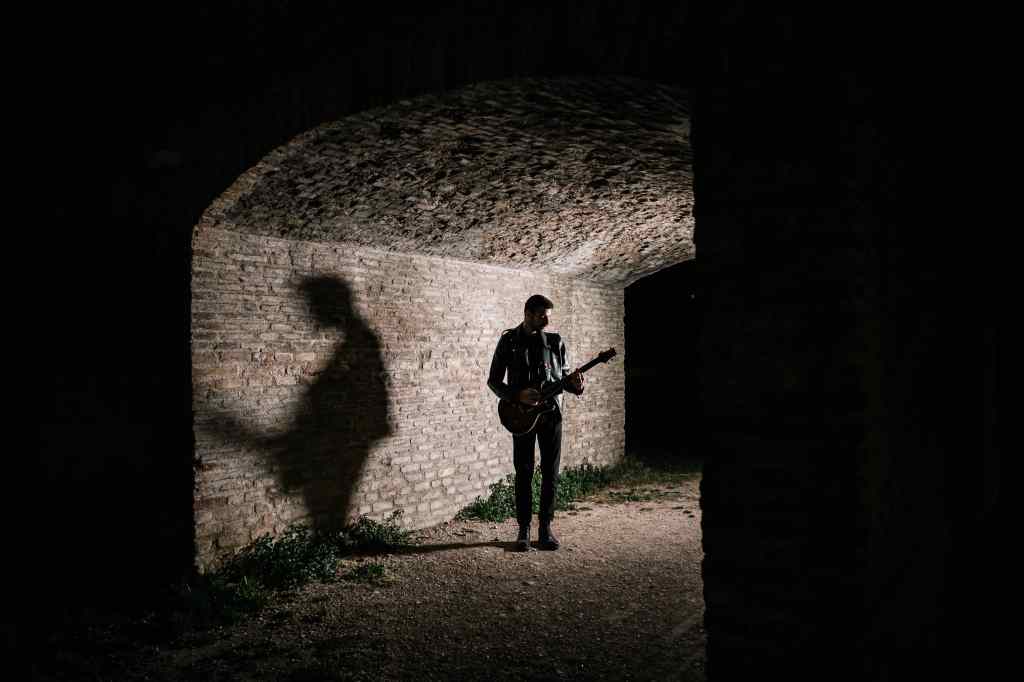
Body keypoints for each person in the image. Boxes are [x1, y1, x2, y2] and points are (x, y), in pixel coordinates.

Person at [487, 294, 585, 551]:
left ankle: (545, 529)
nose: (546, 321)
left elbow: (564, 378)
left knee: (551, 472)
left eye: (548, 316)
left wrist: (577, 385)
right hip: (522, 416)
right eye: (542, 316)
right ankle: (524, 530)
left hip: (552, 414)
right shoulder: (509, 341)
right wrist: (517, 395)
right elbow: (493, 381)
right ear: (528, 313)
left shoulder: (555, 342)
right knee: (524, 471)